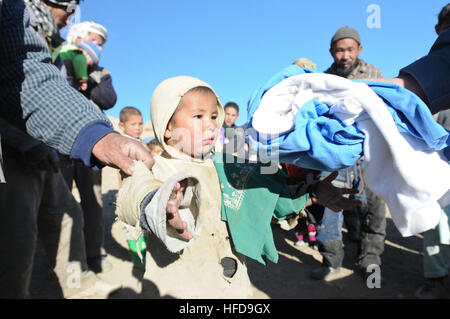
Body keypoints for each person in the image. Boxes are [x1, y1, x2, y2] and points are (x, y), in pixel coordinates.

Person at [114, 75, 361, 298]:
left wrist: (312, 194)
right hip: (181, 288)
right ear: (167, 126)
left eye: (213, 116)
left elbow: (266, 201)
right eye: (198, 116)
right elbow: (132, 194)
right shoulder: (155, 167)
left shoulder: (229, 166)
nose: (211, 125)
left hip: (236, 289)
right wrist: (158, 201)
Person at [0, 0, 152, 298]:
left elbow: (26, 74)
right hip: (17, 149)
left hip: (49, 146)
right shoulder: (64, 52)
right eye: (67, 10)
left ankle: (79, 281)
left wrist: (96, 136)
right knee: (16, 239)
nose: (69, 18)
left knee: (69, 214)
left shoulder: (25, 25)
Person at [310, 26, 388, 281]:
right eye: (339, 50)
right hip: (335, 156)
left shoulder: (374, 74)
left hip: (370, 155)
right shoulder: (325, 79)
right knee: (330, 210)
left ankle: (370, 263)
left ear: (359, 50)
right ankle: (330, 260)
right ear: (332, 52)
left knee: (373, 211)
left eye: (350, 49)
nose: (345, 55)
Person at [57, 21, 118, 274]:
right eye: (94, 40)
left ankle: (94, 253)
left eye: (101, 44)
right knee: (59, 197)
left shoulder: (101, 72)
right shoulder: (62, 58)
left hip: (91, 144)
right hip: (59, 141)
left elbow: (108, 99)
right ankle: (65, 259)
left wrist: (89, 78)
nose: (98, 46)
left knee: (92, 199)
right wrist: (75, 67)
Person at [413, 4, 450, 299]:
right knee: (436, 223)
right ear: (439, 30)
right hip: (438, 166)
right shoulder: (428, 70)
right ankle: (436, 278)